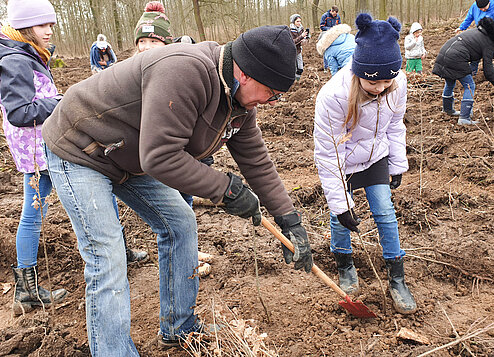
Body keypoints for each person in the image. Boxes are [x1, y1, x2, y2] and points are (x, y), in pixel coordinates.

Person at [42, 24, 313, 355]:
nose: (272, 101)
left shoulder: (239, 103)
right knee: (108, 256)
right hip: (81, 148)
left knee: (180, 223)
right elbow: (161, 157)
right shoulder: (185, 70)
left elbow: (256, 160)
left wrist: (289, 220)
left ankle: (178, 327)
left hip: (130, 155)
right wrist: (224, 189)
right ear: (245, 73)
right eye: (272, 92)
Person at [313, 13, 417, 315]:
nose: (382, 87)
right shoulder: (333, 96)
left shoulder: (397, 83)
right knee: (339, 217)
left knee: (385, 212)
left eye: (388, 80)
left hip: (376, 156)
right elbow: (328, 152)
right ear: (359, 72)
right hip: (343, 160)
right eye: (374, 81)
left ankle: (397, 278)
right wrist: (341, 203)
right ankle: (345, 267)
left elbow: (396, 125)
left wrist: (397, 164)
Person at [132, 0, 212, 274]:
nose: (144, 47)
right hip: (147, 156)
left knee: (184, 202)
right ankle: (181, 257)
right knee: (171, 215)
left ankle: (189, 250)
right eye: (141, 41)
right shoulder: (131, 74)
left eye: (152, 41)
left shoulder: (177, 72)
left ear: (166, 43)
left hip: (179, 151)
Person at [0, 0, 68, 316]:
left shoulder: (27, 54)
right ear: (26, 26)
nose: (49, 30)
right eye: (44, 25)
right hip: (39, 151)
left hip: (42, 146)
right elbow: (19, 112)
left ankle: (25, 289)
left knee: (34, 211)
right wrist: (60, 102)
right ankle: (26, 289)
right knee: (34, 212)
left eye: (51, 24)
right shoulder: (16, 59)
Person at [433, 18, 494, 125]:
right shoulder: (489, 42)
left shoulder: (481, 31)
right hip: (456, 57)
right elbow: (488, 69)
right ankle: (464, 118)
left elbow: (474, 50)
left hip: (445, 52)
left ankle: (448, 110)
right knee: (469, 85)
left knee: (450, 81)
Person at [456, 0, 494, 83]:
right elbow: (469, 17)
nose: (482, 10)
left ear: (489, 2)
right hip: (481, 34)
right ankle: (472, 75)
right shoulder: (475, 6)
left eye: (484, 8)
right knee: (475, 55)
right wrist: (461, 27)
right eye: (480, 9)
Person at [289, 14, 310, 81]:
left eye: (300, 21)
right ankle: (293, 82)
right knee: (294, 69)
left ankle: (297, 81)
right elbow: (293, 42)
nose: (299, 23)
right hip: (291, 51)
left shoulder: (301, 29)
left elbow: (303, 40)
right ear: (293, 22)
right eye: (297, 21)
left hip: (298, 51)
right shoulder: (290, 30)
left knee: (300, 68)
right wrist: (301, 36)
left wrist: (306, 37)